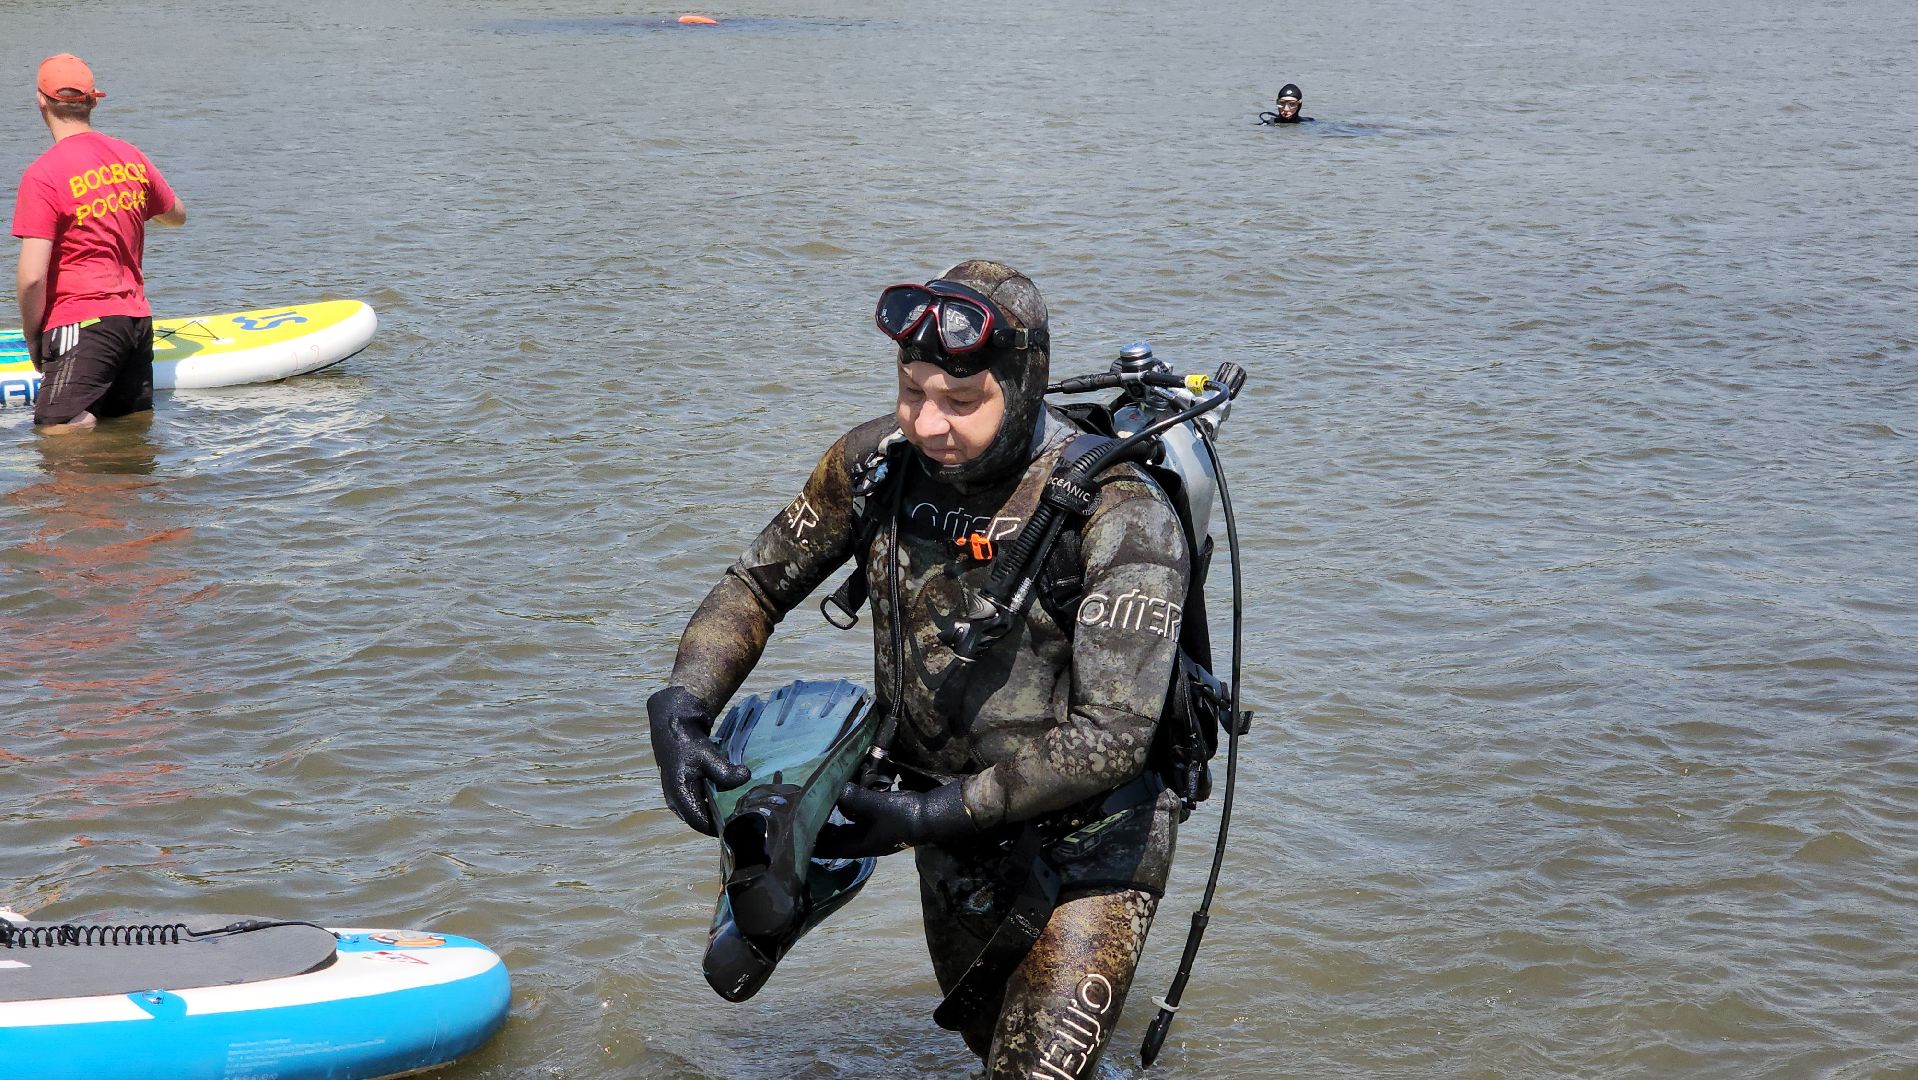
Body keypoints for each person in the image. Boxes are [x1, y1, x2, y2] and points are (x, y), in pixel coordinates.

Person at [649, 260, 1191, 1077]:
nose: (929, 423)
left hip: (1093, 846)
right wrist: (681, 706)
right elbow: (756, 585)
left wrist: (922, 817)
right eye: (912, 392)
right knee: (988, 1049)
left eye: (961, 403)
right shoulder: (874, 466)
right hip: (949, 836)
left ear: (1022, 381)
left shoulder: (1121, 512)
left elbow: (1114, 737)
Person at [13, 53, 185, 435]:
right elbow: (176, 214)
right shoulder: (130, 156)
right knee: (127, 432)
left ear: (41, 101)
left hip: (82, 320)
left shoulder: (44, 174)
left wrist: (33, 339)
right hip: (136, 321)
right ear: (93, 101)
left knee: (57, 429)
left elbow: (30, 278)